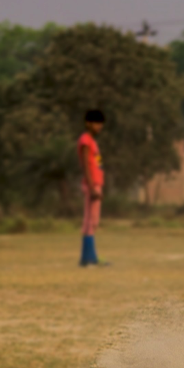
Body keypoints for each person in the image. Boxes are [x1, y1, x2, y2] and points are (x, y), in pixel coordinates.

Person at [78, 109, 108, 267]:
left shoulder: (92, 141)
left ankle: (88, 257)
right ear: (88, 123)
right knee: (91, 221)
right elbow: (86, 165)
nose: (99, 126)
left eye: (100, 123)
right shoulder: (86, 140)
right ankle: (89, 259)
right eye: (97, 123)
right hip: (92, 184)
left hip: (96, 183)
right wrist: (92, 187)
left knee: (91, 221)